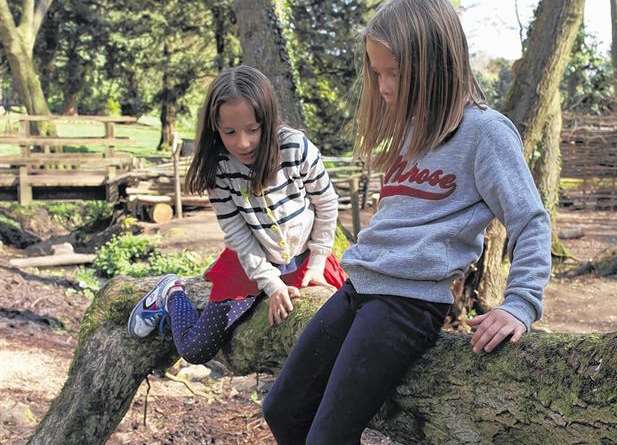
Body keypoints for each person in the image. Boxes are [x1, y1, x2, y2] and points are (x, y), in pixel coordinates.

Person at [261, 0, 552, 443]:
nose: (382, 86)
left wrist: (520, 303)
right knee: (280, 409)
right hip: (359, 287)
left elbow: (530, 221)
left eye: (393, 73)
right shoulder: (411, 131)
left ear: (437, 64)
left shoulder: (486, 133)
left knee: (327, 437)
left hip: (407, 302)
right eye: (376, 73)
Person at [126, 65, 346, 366]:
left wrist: (319, 261)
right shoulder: (219, 169)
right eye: (230, 132)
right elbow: (238, 235)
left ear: (267, 121)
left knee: (341, 334)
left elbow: (327, 202)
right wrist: (271, 283)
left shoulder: (295, 148)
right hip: (250, 259)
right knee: (196, 349)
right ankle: (170, 292)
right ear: (214, 127)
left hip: (307, 257)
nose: (242, 143)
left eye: (253, 130)